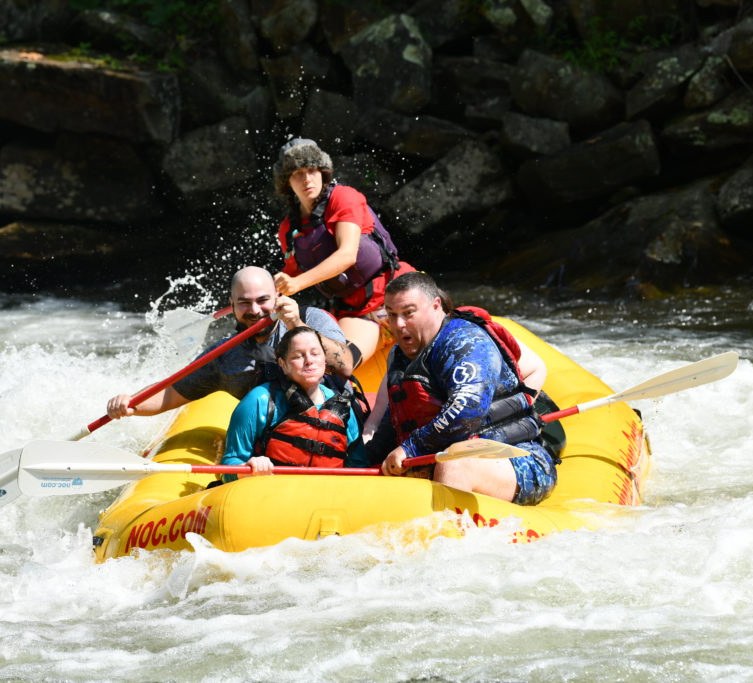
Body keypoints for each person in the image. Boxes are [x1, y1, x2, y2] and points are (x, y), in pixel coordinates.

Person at [365, 272, 558, 505]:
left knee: (453, 464)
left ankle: (449, 538)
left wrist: (410, 448)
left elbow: (468, 410)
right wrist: (361, 461)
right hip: (432, 459)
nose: (398, 325)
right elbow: (395, 421)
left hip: (516, 457)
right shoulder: (398, 355)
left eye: (408, 313)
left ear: (436, 306)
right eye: (392, 315)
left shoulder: (464, 340)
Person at [106, 266, 354, 420]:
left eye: (263, 300)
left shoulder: (311, 318)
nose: (255, 310)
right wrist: (131, 404)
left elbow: (345, 366)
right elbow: (171, 392)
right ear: (232, 304)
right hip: (277, 448)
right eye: (244, 302)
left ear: (278, 297)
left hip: (335, 425)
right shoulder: (224, 355)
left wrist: (297, 325)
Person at [270, 138, 416, 368]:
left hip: (396, 292)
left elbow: (347, 255)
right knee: (341, 364)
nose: (307, 179)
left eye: (312, 170)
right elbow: (288, 278)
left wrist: (296, 283)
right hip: (356, 312)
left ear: (323, 172)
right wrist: (266, 295)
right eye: (298, 173)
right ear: (287, 181)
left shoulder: (343, 197)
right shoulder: (288, 230)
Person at [220, 326, 370, 481]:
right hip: (271, 494)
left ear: (325, 359)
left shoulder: (344, 409)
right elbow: (229, 465)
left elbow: (359, 467)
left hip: (325, 497)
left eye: (315, 353)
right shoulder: (260, 401)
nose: (309, 361)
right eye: (298, 356)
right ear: (282, 364)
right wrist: (247, 468)